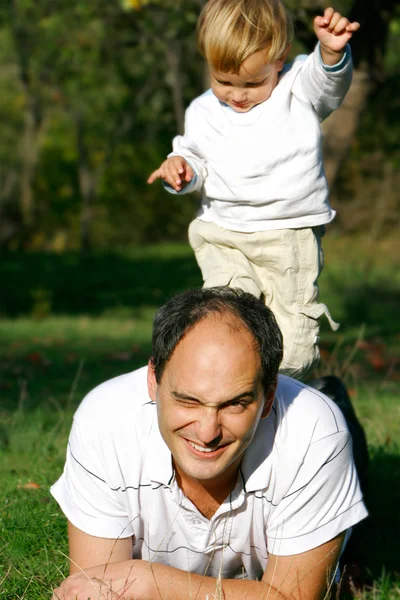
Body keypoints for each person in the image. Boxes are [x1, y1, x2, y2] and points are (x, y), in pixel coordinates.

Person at [51, 287, 367, 600]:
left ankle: (333, 398)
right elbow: (97, 591)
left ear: (268, 397)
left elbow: (291, 598)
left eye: (234, 404)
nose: (206, 433)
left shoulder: (315, 436)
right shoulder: (104, 423)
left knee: (356, 523)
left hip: (322, 452)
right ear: (153, 380)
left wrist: (152, 582)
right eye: (187, 401)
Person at [147, 1, 360, 378]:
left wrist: (330, 51)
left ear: (279, 61)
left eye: (252, 83)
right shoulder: (202, 111)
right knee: (229, 325)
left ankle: (289, 398)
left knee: (291, 348)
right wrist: (181, 171)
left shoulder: (298, 87)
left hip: (287, 235)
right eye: (224, 82)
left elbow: (329, 82)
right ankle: (237, 396)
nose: (237, 95)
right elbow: (195, 160)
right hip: (223, 234)